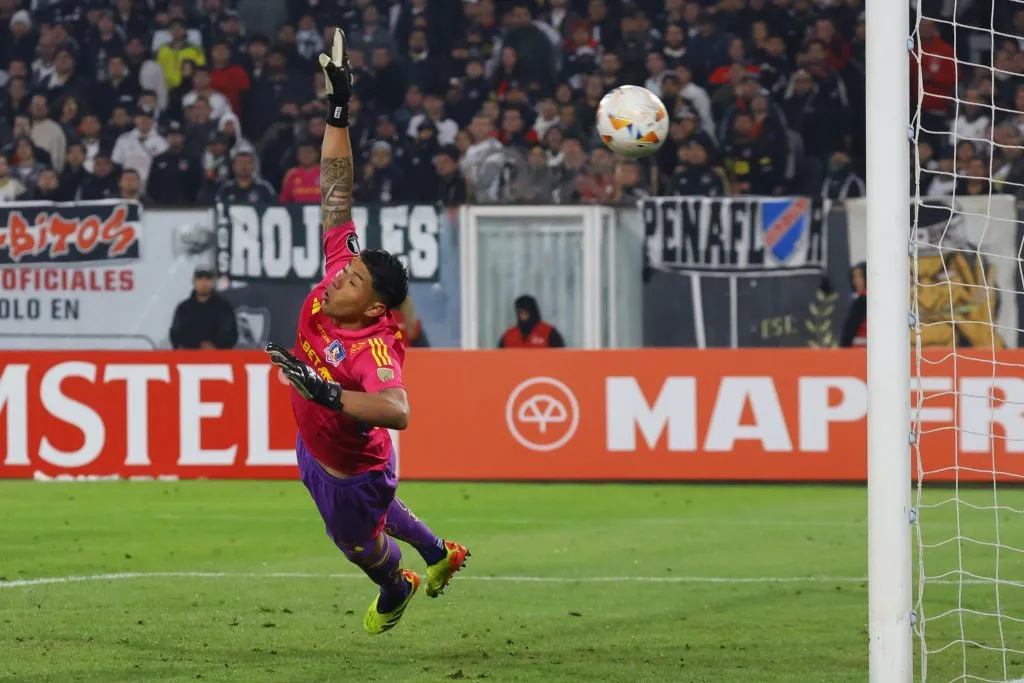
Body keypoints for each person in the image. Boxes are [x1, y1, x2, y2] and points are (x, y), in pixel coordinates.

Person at [264, 30, 468, 636]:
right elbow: (336, 189)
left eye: (351, 281)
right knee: (370, 509)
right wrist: (338, 109)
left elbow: (396, 410)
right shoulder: (337, 275)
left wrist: (324, 392)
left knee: (361, 547)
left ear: (374, 304)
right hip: (315, 442)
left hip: (354, 473)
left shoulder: (374, 349)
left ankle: (399, 582)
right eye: (344, 269)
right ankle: (440, 553)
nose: (336, 281)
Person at [169, 267, 239, 350]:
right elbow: (175, 335)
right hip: (187, 360)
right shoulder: (183, 309)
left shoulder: (224, 308)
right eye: (200, 278)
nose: (203, 283)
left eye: (208, 279)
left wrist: (216, 347)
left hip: (218, 361)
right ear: (194, 281)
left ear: (213, 282)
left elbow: (231, 335)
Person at [498, 294, 566, 348]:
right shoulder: (509, 335)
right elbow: (498, 359)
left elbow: (561, 358)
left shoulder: (549, 333)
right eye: (520, 313)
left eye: (526, 312)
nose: (523, 316)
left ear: (533, 312)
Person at [840, 262, 867, 348]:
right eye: (854, 276)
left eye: (860, 276)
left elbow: (848, 332)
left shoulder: (862, 301)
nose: (856, 280)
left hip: (859, 353)